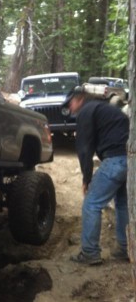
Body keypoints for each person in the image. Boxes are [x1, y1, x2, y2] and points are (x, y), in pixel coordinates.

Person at [64, 87, 129, 265]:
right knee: (122, 204)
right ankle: (125, 249)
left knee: (91, 204)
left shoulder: (87, 111)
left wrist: (86, 178)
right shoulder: (107, 109)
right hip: (130, 158)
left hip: (115, 160)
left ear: (79, 99)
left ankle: (90, 253)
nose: (69, 107)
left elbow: (85, 148)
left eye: (70, 103)